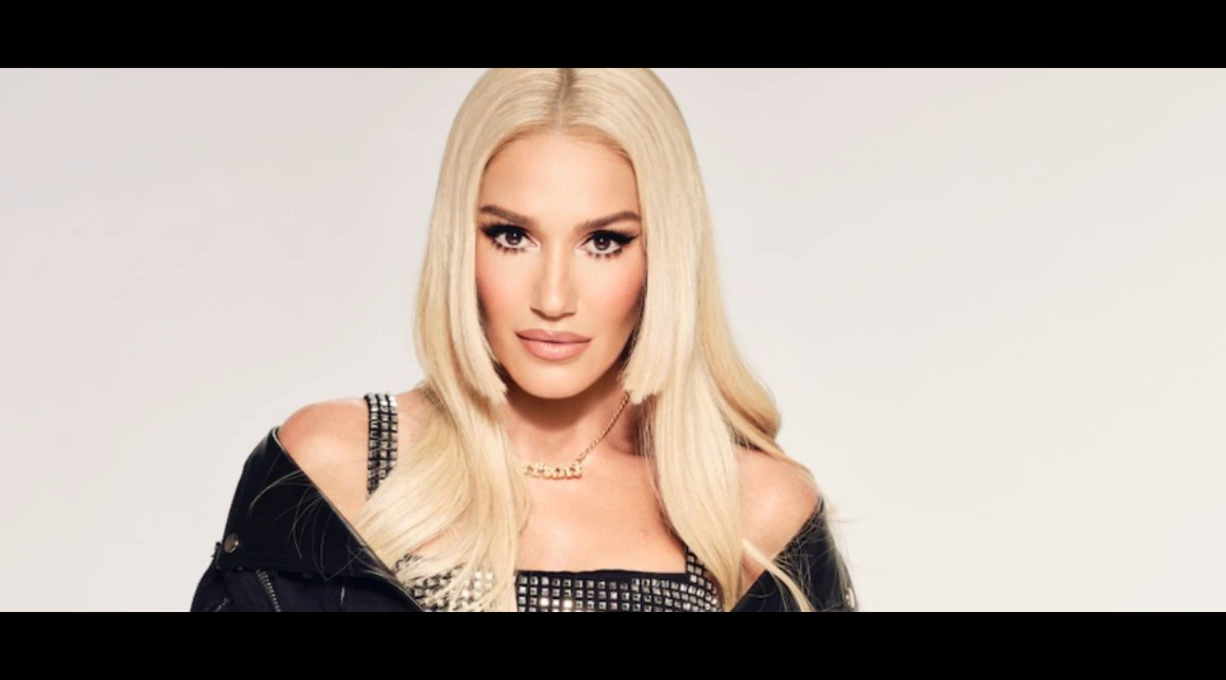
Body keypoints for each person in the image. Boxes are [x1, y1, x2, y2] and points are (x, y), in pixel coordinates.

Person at [189, 68, 858, 612]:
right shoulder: (331, 469)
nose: (554, 297)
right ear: (462, 242)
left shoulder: (751, 514)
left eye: (604, 241)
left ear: (665, 256)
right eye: (512, 236)